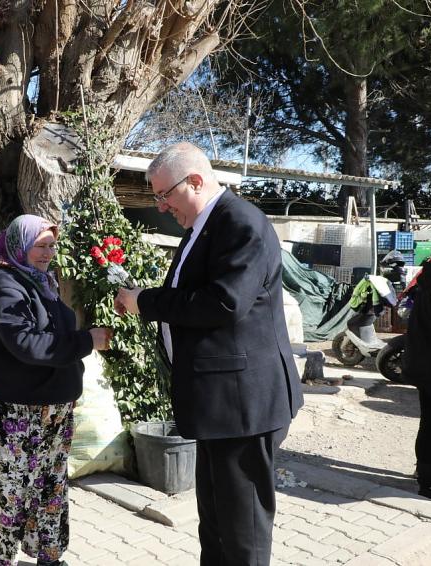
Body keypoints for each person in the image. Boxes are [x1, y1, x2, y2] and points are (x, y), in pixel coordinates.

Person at [114, 142, 304, 565]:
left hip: (244, 406)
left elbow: (223, 303)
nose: (161, 207)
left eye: (164, 195)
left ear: (196, 181)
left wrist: (146, 301)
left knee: (242, 530)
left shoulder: (240, 223)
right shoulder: (205, 225)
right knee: (216, 523)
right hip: (220, 405)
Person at [0, 214, 112, 566]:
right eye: (40, 245)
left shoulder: (41, 282)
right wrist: (85, 341)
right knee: (6, 494)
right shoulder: (3, 285)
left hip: (51, 414)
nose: (48, 253)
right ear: (19, 245)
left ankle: (49, 557)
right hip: (13, 416)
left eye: (52, 245)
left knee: (49, 492)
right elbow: (27, 343)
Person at [401, 256, 431, 500]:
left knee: (430, 421)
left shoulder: (428, 274)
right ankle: (429, 481)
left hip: (424, 362)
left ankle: (425, 473)